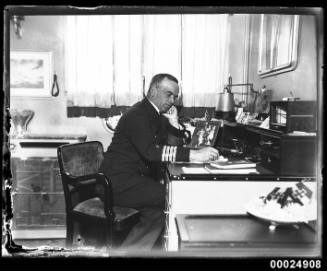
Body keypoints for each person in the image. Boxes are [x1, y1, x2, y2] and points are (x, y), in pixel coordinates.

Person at [100, 73, 219, 251]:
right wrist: (194, 155)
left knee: (156, 212)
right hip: (116, 182)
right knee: (171, 194)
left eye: (175, 96)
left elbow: (169, 146)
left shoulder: (155, 114)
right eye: (168, 94)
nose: (172, 100)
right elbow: (152, 152)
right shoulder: (137, 114)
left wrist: (174, 122)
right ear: (154, 90)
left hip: (132, 180)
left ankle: (130, 252)